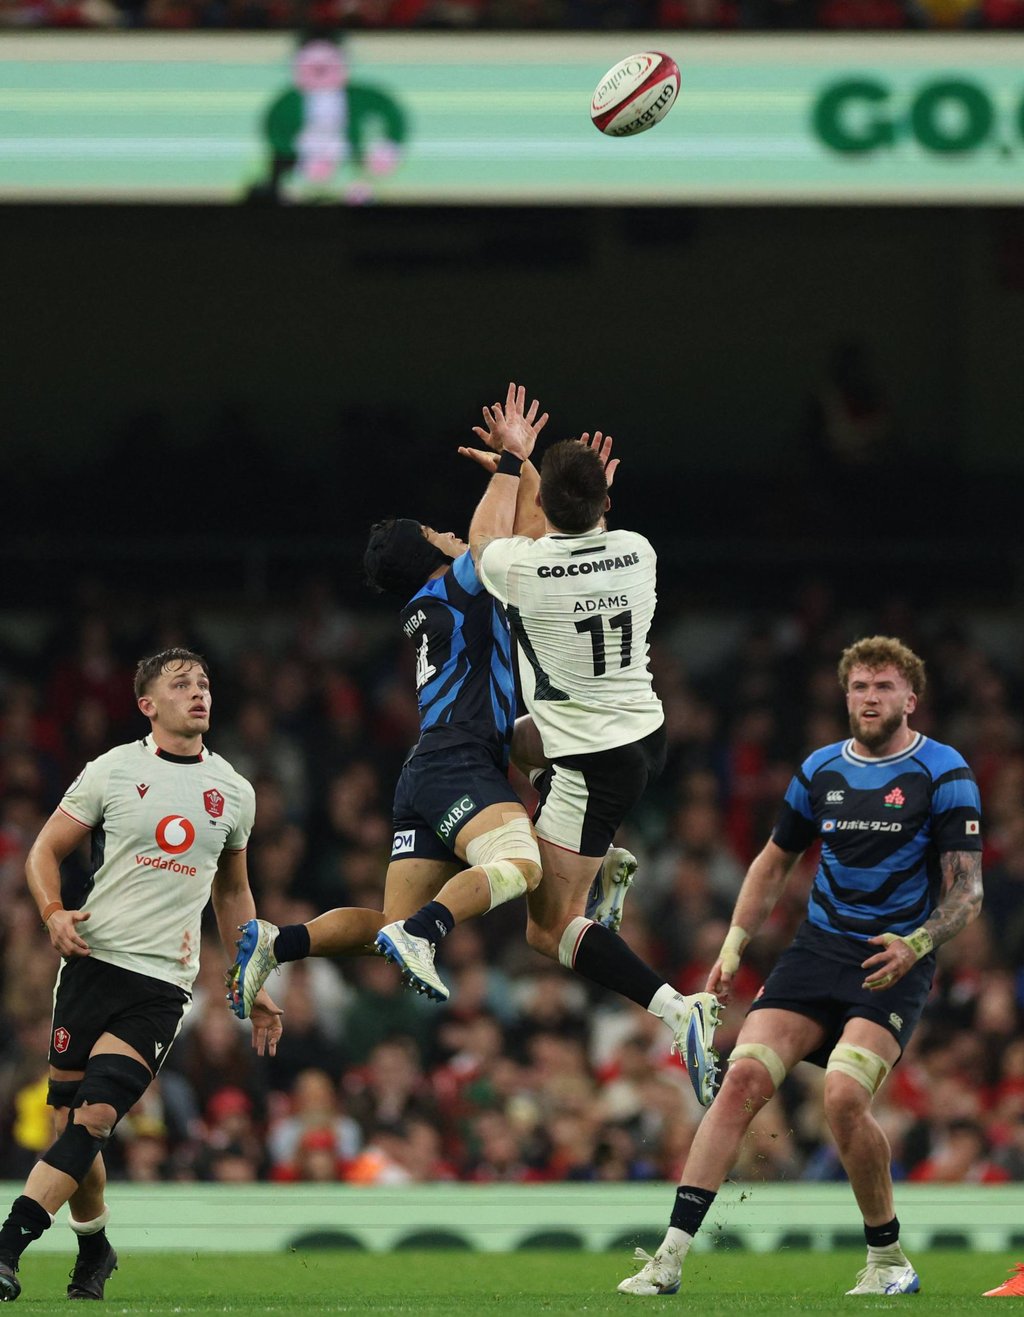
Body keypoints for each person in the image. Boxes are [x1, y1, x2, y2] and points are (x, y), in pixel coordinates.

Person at [229, 387, 716, 1100]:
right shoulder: (486, 581)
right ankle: (430, 932)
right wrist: (515, 464)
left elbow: (517, 543)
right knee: (519, 865)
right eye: (438, 532)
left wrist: (536, 479)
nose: (451, 534)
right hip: (466, 761)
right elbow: (505, 539)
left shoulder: (436, 603)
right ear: (431, 555)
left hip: (434, 765)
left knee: (392, 914)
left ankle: (279, 942)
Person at [616, 635, 983, 1299]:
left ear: (911, 698)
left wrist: (918, 944)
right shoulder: (820, 770)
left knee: (842, 1096)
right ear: (846, 696)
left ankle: (888, 1258)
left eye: (884, 686)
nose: (870, 697)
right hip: (816, 951)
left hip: (891, 958)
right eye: (859, 686)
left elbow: (968, 890)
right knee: (741, 1079)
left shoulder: (944, 770)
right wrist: (733, 945)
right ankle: (668, 1259)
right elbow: (773, 861)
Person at [0, 649, 283, 1303]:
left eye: (204, 682)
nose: (199, 692)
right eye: (181, 684)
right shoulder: (114, 770)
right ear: (147, 705)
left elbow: (232, 892)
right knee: (71, 1128)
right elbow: (44, 850)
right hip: (90, 966)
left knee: (97, 1115)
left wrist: (253, 975)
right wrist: (51, 911)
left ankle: (8, 1245)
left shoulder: (234, 791)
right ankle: (95, 1245)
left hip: (160, 982)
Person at [467, 382, 720, 1103]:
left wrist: (511, 463)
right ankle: (604, 857)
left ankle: (678, 1009)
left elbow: (488, 543)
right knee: (509, 742)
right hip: (641, 732)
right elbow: (557, 534)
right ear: (606, 501)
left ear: (550, 505)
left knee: (548, 931)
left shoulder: (525, 570)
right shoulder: (637, 551)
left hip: (589, 763)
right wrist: (542, 476)